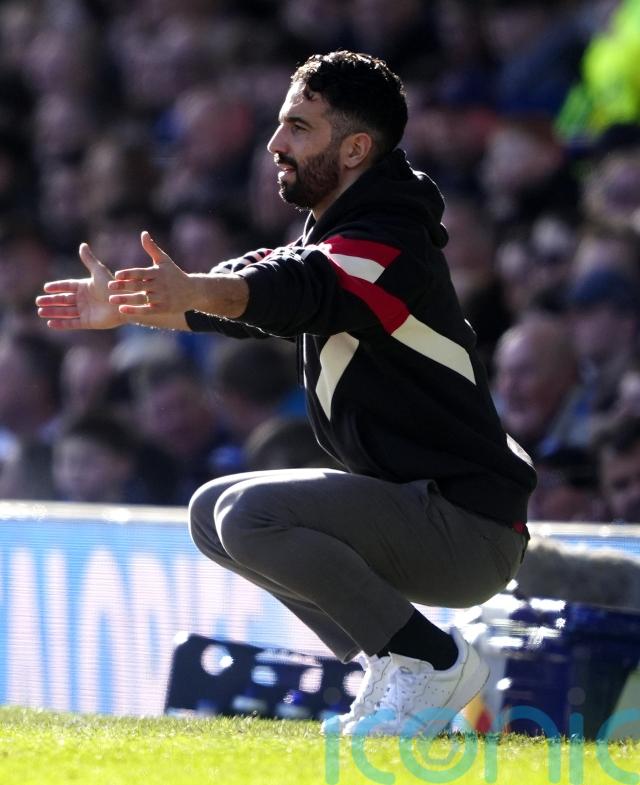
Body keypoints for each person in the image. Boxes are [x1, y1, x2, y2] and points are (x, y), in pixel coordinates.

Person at [36, 51, 536, 737]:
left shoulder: (390, 242)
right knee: (210, 512)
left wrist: (191, 290)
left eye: (299, 127)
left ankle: (432, 661)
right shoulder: (342, 234)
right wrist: (133, 304)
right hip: (420, 512)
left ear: (355, 149)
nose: (275, 143)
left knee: (250, 515)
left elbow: (294, 289)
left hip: (467, 529)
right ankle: (400, 669)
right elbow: (253, 289)